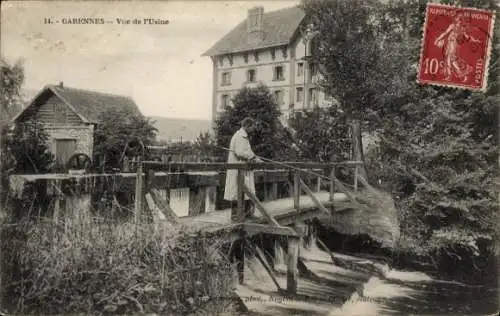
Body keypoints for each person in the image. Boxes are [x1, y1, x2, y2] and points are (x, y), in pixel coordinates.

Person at [224, 117, 262, 222]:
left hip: (243, 168)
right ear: (246, 126)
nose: (253, 129)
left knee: (247, 190)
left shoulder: (243, 136)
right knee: (238, 191)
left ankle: (247, 214)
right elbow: (240, 152)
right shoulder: (240, 136)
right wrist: (253, 158)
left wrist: (256, 158)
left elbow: (247, 152)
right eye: (252, 127)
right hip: (238, 168)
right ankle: (236, 215)